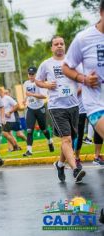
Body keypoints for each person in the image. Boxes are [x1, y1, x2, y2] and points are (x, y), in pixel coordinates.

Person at [35, 36, 85, 183]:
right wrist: (47, 85)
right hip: (57, 107)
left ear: (65, 46)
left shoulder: (72, 62)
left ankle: (60, 164)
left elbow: (81, 77)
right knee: (66, 139)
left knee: (69, 140)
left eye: (61, 44)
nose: (59, 46)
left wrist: (79, 88)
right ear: (52, 48)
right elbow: (38, 80)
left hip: (74, 105)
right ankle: (75, 169)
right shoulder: (46, 64)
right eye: (56, 44)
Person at [62, 0, 104, 163]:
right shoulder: (84, 39)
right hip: (96, 103)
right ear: (101, 13)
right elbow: (66, 67)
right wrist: (84, 79)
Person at [22, 66, 54, 157]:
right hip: (30, 108)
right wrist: (25, 99)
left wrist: (31, 94)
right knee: (29, 130)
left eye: (33, 74)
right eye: (29, 74)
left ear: (36, 74)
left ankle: (50, 141)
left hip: (40, 108)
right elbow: (27, 94)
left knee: (43, 129)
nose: (31, 76)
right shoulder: (26, 83)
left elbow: (44, 96)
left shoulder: (39, 83)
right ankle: (29, 151)